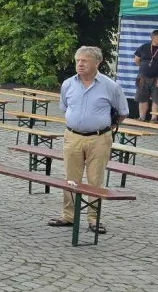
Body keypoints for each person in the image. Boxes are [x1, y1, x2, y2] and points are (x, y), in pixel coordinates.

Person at [51, 46, 127, 233]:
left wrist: (104, 126)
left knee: (95, 180)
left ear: (97, 63)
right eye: (78, 60)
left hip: (99, 138)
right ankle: (68, 216)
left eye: (84, 60)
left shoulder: (111, 86)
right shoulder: (68, 84)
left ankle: (93, 219)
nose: (80, 64)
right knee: (71, 179)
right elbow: (65, 106)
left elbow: (122, 112)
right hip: (73, 136)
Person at [134, 30, 158, 121]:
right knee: (142, 97)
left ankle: (154, 118)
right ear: (152, 38)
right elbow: (137, 60)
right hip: (143, 77)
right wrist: (145, 68)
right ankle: (142, 117)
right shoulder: (144, 47)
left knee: (157, 98)